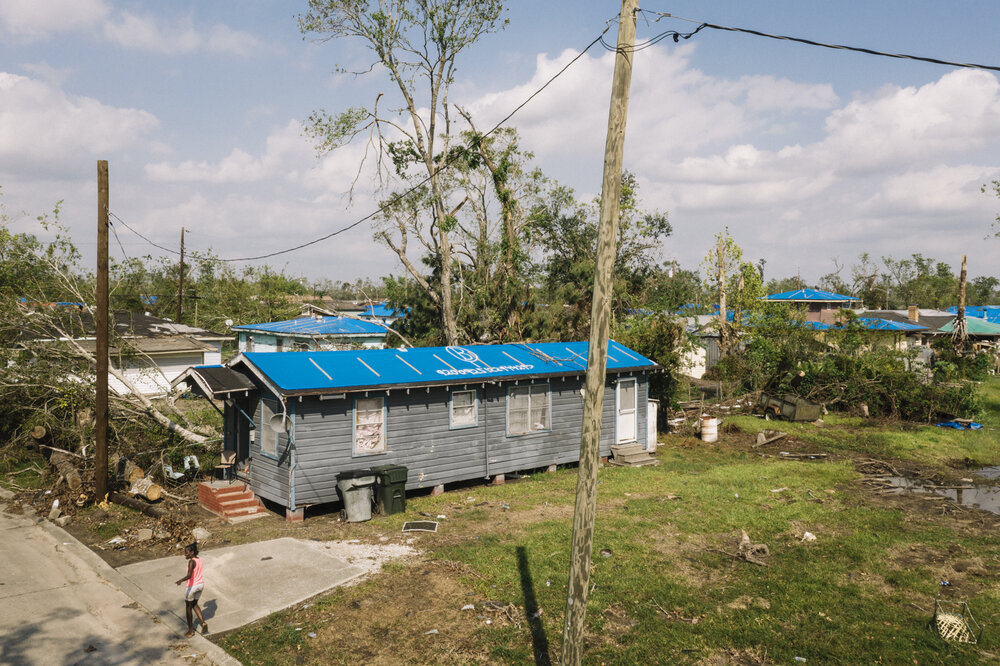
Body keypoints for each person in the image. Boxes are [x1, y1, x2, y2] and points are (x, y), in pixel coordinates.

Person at [175, 542, 207, 637]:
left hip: (192, 587)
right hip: (200, 585)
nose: (185, 554)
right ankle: (203, 623)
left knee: (188, 608)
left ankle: (190, 631)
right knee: (194, 604)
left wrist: (180, 580)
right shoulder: (199, 559)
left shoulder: (191, 561)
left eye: (187, 553)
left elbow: (189, 576)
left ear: (192, 552)